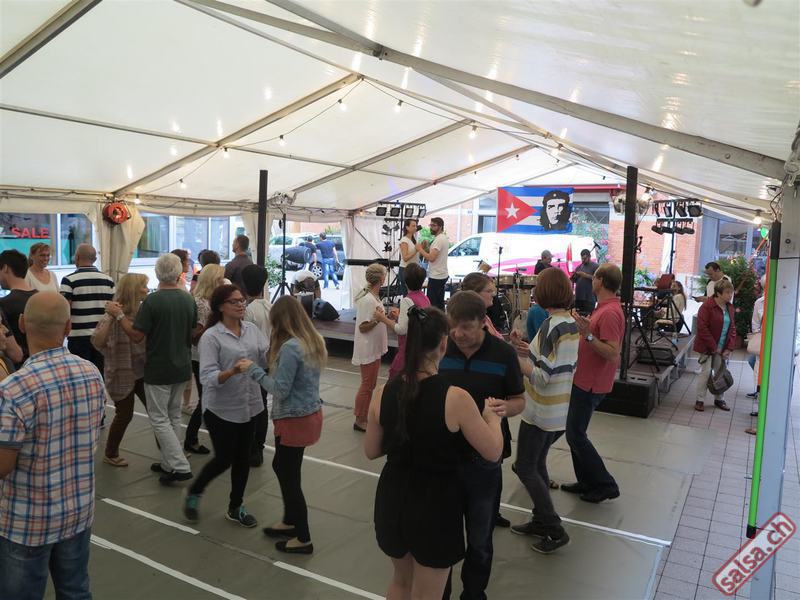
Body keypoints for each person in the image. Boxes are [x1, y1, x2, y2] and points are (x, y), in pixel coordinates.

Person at [365, 306, 504, 599]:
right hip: (434, 506)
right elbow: (493, 452)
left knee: (401, 581)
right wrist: (493, 419)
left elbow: (371, 450)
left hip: (392, 499)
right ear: (443, 344)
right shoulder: (455, 398)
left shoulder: (383, 392)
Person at [0, 292, 105, 600]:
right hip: (78, 511)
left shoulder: (13, 389)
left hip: (27, 522)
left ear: (21, 324)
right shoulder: (91, 373)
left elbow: (3, 466)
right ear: (68, 327)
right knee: (75, 590)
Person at [438, 290, 525, 600]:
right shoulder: (441, 349)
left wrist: (505, 408)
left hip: (484, 461)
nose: (458, 334)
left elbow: (519, 400)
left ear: (483, 323)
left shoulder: (503, 355)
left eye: (466, 328)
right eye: (453, 327)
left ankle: (474, 594)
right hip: (444, 458)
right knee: (442, 536)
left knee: (480, 537)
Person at [236, 295, 327, 555]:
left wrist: (253, 370)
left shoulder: (290, 348)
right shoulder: (313, 340)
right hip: (309, 414)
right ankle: (289, 521)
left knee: (289, 477)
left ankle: (303, 537)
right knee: (284, 467)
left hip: (294, 419)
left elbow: (280, 389)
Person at [107, 253, 197, 484]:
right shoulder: (188, 299)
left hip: (159, 369)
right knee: (173, 415)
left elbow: (136, 335)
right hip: (182, 366)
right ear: (179, 273)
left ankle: (179, 465)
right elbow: (192, 332)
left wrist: (119, 315)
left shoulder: (153, 302)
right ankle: (168, 463)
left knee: (159, 419)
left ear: (157, 273)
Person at [183, 285, 268, 528]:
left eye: (242, 300)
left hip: (249, 404)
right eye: (234, 301)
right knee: (224, 458)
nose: (241, 305)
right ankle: (195, 490)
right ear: (221, 306)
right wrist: (232, 371)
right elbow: (207, 377)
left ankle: (235, 507)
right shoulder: (211, 337)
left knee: (243, 459)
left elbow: (264, 358)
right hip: (221, 409)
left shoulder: (252, 330)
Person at [511, 268, 579, 553]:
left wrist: (515, 360)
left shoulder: (552, 326)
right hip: (557, 409)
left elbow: (541, 376)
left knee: (525, 467)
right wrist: (524, 349)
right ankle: (540, 520)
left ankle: (554, 527)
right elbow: (551, 362)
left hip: (540, 410)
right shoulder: (569, 324)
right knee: (536, 464)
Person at [562, 263, 624, 503]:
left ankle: (605, 484)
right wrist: (585, 330)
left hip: (591, 383)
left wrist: (587, 335)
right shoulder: (605, 309)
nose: (591, 280)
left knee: (575, 435)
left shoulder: (609, 313)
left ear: (601, 281)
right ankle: (587, 481)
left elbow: (612, 352)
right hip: (585, 379)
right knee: (575, 434)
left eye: (594, 277)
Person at [91, 273, 149, 467]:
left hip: (142, 371)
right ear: (133, 290)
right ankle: (110, 452)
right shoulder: (114, 313)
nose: (147, 290)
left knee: (157, 412)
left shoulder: (143, 311)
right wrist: (110, 316)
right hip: (120, 372)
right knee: (125, 414)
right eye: (143, 286)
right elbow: (98, 341)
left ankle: (169, 450)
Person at [184, 264, 226, 455]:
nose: (223, 282)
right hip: (201, 356)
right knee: (206, 398)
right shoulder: (201, 303)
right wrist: (214, 323)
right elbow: (195, 336)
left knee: (209, 398)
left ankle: (196, 436)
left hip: (209, 355)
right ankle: (191, 438)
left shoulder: (209, 301)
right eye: (220, 279)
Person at [60, 243, 115, 374]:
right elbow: (112, 308)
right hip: (101, 336)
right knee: (99, 374)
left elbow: (64, 309)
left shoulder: (68, 280)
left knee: (80, 375)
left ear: (77, 257)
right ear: (95, 259)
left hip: (78, 337)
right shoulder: (108, 280)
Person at [352, 264, 394, 432]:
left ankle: (363, 415)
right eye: (384, 274)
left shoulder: (374, 297)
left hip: (374, 347)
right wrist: (378, 319)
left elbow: (376, 317)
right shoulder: (368, 300)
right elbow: (363, 327)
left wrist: (383, 317)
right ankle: (359, 418)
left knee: (371, 383)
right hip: (367, 347)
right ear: (381, 279)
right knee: (367, 384)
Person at [242, 264, 272, 467]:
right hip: (266, 362)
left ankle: (252, 447)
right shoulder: (270, 306)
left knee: (252, 406)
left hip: (252, 364)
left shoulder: (248, 311)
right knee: (260, 405)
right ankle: (257, 447)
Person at [693, 279, 736, 412]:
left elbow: (732, 328)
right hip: (707, 347)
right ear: (718, 293)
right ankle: (700, 400)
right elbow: (702, 328)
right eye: (727, 292)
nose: (730, 295)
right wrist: (714, 347)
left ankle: (719, 399)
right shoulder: (707, 307)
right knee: (706, 373)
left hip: (722, 347)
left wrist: (729, 348)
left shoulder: (729, 307)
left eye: (731, 292)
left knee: (719, 373)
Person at [388, 263, 430, 379]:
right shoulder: (425, 298)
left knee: (395, 380)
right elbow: (416, 319)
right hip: (420, 348)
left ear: (405, 281)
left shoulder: (407, 300)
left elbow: (401, 330)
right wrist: (400, 316)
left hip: (408, 348)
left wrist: (383, 319)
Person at [0, 250, 37, 364]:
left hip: (19, 367)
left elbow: (14, 353)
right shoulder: (42, 298)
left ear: (5, 268)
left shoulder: (4, 304)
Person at [416, 217, 449, 310]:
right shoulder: (442, 238)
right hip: (440, 274)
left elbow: (431, 258)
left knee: (432, 304)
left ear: (440, 227)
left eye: (434, 225)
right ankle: (441, 318)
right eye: (431, 225)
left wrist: (420, 249)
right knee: (439, 303)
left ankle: (434, 318)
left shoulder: (439, 240)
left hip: (437, 276)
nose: (431, 228)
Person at [459, 272, 503, 339]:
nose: (493, 294)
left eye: (493, 291)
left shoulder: (484, 317)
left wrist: (513, 343)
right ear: (474, 294)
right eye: (489, 291)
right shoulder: (471, 322)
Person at [571, 249, 598, 314]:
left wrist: (585, 275)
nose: (583, 260)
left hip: (589, 298)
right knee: (578, 315)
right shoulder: (579, 267)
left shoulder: (595, 266)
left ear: (589, 256)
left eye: (585, 258)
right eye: (582, 258)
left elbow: (598, 279)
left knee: (588, 315)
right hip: (579, 297)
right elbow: (574, 280)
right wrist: (574, 277)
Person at [398, 219, 419, 294]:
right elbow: (405, 258)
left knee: (413, 294)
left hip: (413, 270)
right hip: (406, 270)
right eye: (413, 226)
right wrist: (416, 250)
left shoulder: (413, 240)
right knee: (408, 295)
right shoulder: (404, 240)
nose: (415, 228)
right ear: (407, 227)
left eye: (416, 226)